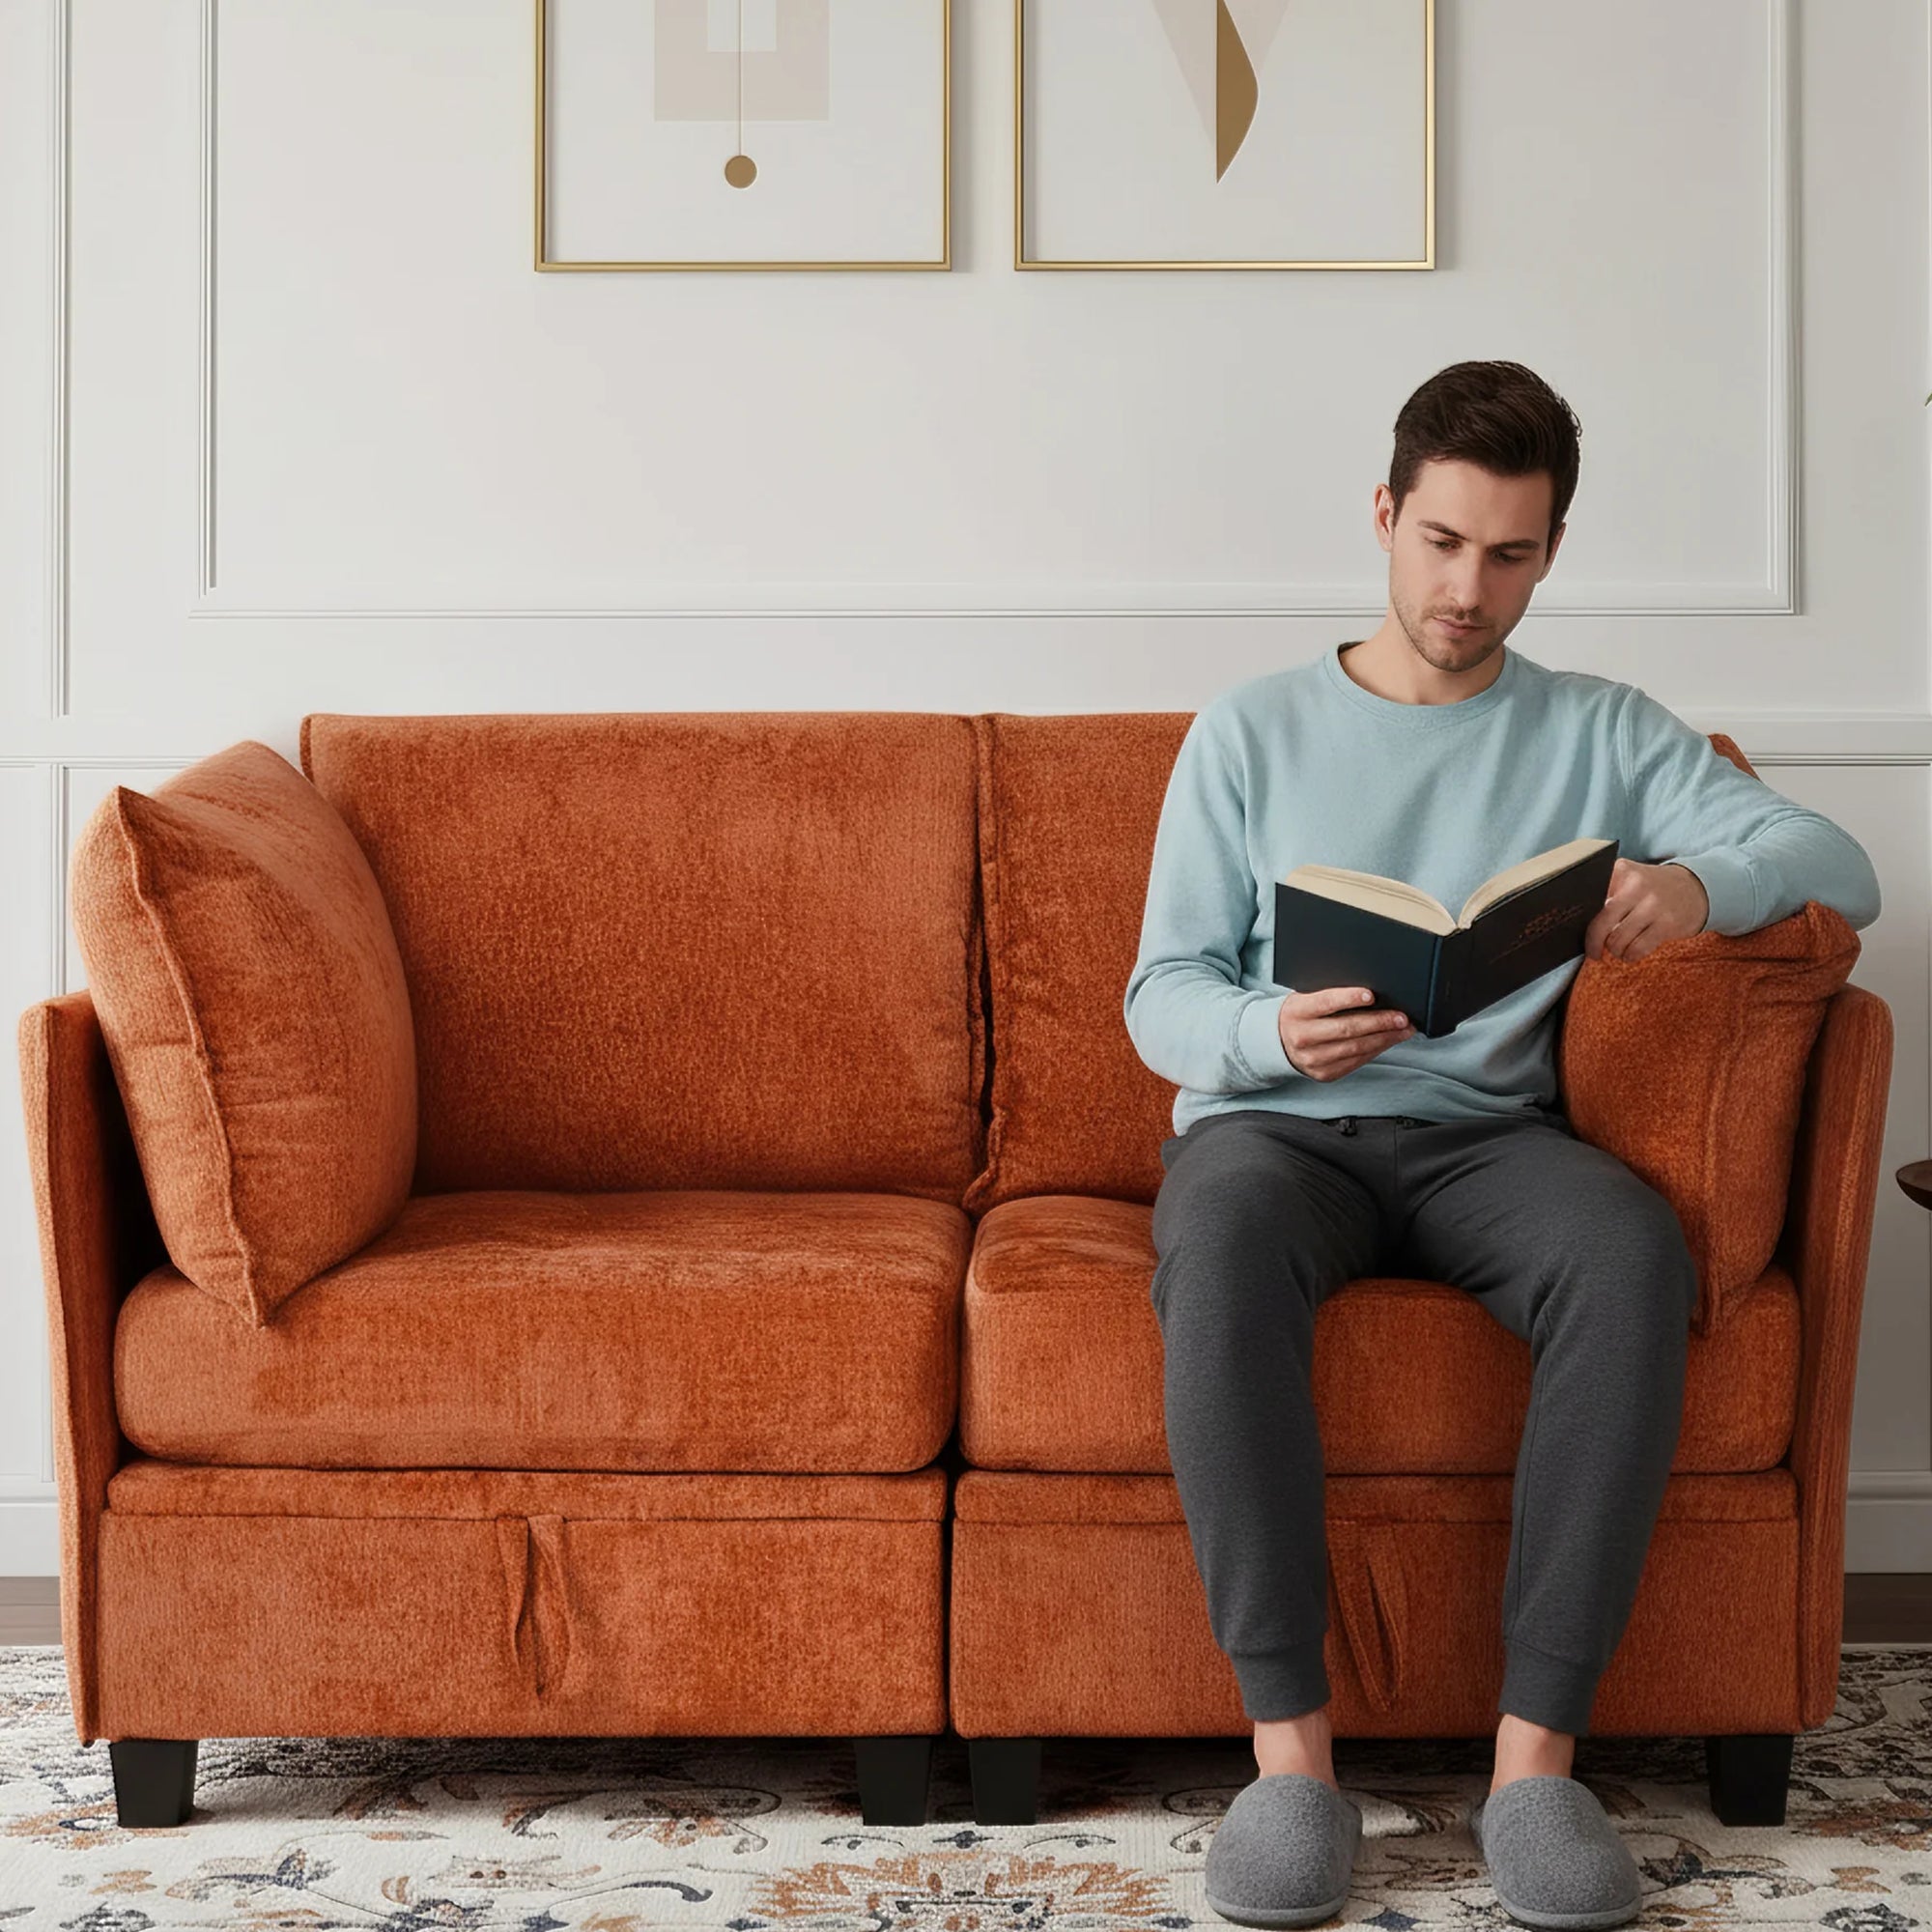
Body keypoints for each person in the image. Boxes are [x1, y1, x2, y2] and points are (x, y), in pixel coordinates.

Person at [1122, 358, 1883, 1932]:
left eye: (1512, 556)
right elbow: (1161, 993)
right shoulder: (1252, 730)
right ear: (1386, 516)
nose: (1469, 591)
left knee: (1627, 1246)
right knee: (1217, 1241)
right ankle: (1292, 1769)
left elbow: (1842, 862)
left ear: (1551, 554)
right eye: (1444, 543)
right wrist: (1272, 1035)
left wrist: (1701, 887)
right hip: (1283, 1132)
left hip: (1489, 1144)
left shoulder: (1604, 731)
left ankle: (1536, 1769)